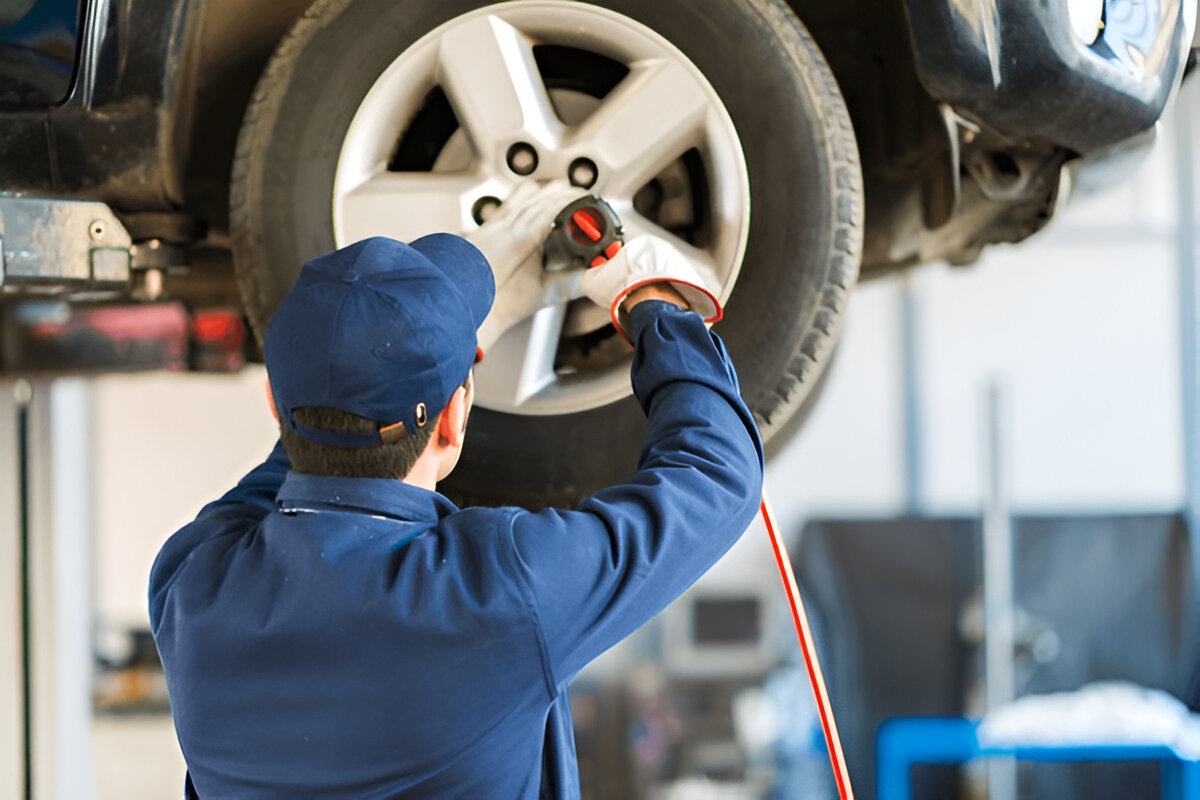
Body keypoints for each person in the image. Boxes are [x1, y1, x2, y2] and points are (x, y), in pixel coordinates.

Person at [149, 182, 764, 798]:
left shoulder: (190, 582)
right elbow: (715, 478)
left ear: (274, 405)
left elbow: (718, 476)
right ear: (454, 417)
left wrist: (657, 310)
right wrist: (648, 301)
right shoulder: (500, 594)